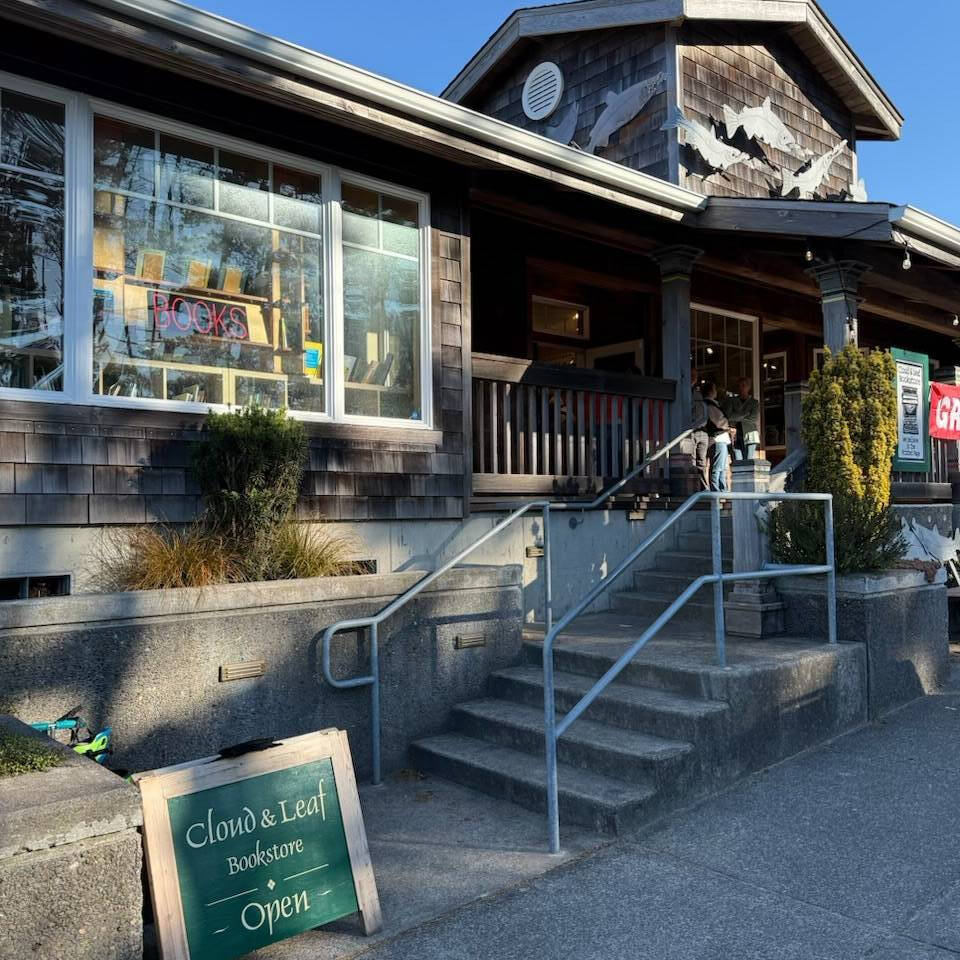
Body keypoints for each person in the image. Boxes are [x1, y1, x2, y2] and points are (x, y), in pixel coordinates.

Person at [702, 381, 734, 492]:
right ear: (711, 391)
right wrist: (728, 428)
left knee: (721, 467)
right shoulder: (710, 405)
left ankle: (722, 489)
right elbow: (720, 421)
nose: (716, 392)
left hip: (717, 439)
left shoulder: (709, 404)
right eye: (714, 389)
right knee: (718, 467)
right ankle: (717, 490)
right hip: (718, 439)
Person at [723, 376, 760, 461]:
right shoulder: (732, 401)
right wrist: (745, 414)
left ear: (748, 387)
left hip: (750, 435)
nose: (741, 388)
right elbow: (729, 416)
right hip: (736, 434)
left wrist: (737, 416)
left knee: (749, 461)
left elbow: (753, 418)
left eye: (743, 385)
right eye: (739, 386)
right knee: (737, 460)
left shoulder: (754, 402)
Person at [690, 367, 709, 490]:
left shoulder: (698, 393)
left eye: (695, 375)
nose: (693, 377)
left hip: (702, 431)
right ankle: (693, 489)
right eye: (691, 374)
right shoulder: (683, 391)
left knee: (701, 463)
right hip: (690, 431)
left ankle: (703, 489)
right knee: (691, 462)